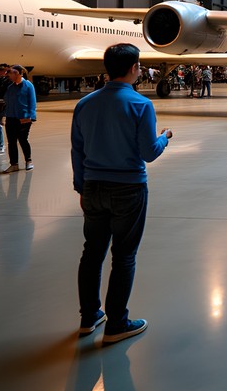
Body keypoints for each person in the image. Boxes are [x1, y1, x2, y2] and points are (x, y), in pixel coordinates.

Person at [72, 44, 172, 343]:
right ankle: (117, 323)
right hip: (128, 189)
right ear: (133, 68)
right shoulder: (141, 105)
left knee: (91, 253)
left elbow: (77, 151)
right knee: (124, 256)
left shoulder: (85, 104)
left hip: (92, 187)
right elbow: (148, 152)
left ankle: (89, 317)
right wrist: (164, 138)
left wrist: (81, 186)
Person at [2, 65, 37, 173]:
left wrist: (31, 116)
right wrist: (4, 116)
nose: (10, 74)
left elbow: (32, 102)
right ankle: (14, 164)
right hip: (10, 117)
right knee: (11, 142)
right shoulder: (10, 87)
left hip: (23, 118)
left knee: (23, 140)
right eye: (10, 72)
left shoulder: (28, 85)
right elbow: (6, 102)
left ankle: (28, 161)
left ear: (20, 73)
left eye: (13, 72)